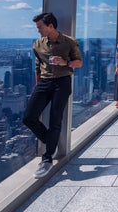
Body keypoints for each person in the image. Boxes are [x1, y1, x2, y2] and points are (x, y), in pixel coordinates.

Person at [23, 12, 83, 179]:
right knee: (28, 117)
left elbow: (79, 62)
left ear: (50, 26)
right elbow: (38, 66)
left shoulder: (69, 42)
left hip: (62, 83)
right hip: (44, 83)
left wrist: (66, 63)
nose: (38, 31)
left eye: (40, 27)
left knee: (55, 120)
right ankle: (51, 142)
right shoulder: (37, 44)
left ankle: (47, 158)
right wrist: (38, 86)